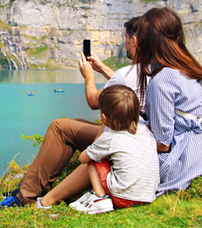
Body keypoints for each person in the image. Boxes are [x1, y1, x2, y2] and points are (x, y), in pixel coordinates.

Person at [0, 17, 142, 209]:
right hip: (135, 133)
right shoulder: (148, 69)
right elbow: (124, 82)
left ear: (134, 40)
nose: (125, 43)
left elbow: (94, 101)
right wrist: (102, 68)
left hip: (123, 137)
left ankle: (27, 196)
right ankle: (34, 187)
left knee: (60, 127)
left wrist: (89, 76)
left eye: (126, 38)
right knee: (73, 123)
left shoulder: (130, 72)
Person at [134, 7, 202, 194]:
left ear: (146, 42)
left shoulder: (162, 81)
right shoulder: (187, 69)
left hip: (184, 161)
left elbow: (163, 143)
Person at [36, 85, 158, 213]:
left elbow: (83, 158)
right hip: (148, 196)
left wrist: (97, 142)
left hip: (123, 198)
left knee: (93, 159)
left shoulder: (110, 137)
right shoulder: (145, 131)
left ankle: (100, 197)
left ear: (104, 117)